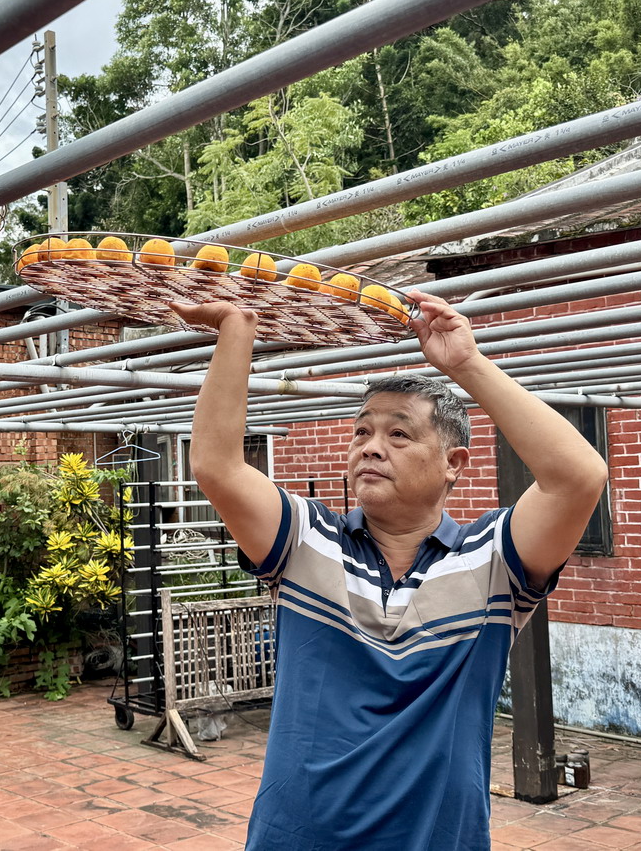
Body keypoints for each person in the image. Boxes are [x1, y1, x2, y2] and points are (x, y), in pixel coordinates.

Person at [167, 291, 608, 851]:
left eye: (398, 434)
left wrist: (466, 364)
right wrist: (237, 328)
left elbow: (579, 476)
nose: (371, 448)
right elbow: (217, 465)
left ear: (453, 463)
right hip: (296, 837)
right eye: (361, 432)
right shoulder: (306, 542)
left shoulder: (493, 562)